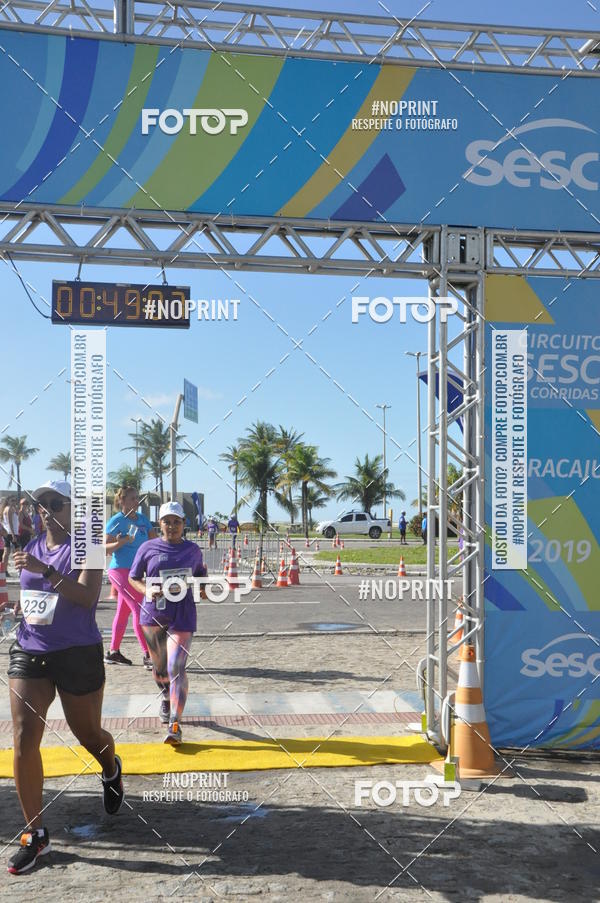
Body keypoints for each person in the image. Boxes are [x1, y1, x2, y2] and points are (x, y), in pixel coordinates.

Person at [2, 480, 123, 875]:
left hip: (77, 653)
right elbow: (34, 595)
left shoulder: (87, 547)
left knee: (89, 735)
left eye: (56, 503)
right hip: (31, 648)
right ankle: (35, 835)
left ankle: (110, 768)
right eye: (41, 504)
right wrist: (22, 608)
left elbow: (87, 597)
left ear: (74, 509)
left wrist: (48, 572)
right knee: (24, 735)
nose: (46, 510)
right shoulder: (32, 545)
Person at [128, 501, 206, 745]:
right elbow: (133, 578)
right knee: (160, 668)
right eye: (167, 522)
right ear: (159, 524)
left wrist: (203, 588)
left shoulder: (193, 550)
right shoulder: (148, 548)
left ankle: (175, 724)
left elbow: (201, 575)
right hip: (154, 614)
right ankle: (165, 697)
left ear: (184, 524)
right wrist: (147, 591)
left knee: (176, 667)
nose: (172, 526)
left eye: (176, 522)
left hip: (183, 614)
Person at [104, 486, 157, 668]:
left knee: (123, 612)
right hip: (120, 571)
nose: (136, 502)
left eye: (137, 498)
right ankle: (148, 654)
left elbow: (154, 542)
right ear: (122, 500)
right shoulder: (116, 521)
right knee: (139, 608)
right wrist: (121, 542)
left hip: (136, 572)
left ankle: (113, 652)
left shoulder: (143, 520)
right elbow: (104, 548)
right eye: (133, 498)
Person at [1, 497, 18, 576]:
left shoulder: (7, 509)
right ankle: (19, 570)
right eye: (12, 500)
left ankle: (4, 571)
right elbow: (10, 522)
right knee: (17, 551)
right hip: (11, 533)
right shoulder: (9, 509)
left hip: (9, 532)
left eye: (15, 500)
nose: (14, 502)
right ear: (8, 501)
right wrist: (13, 534)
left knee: (7, 552)